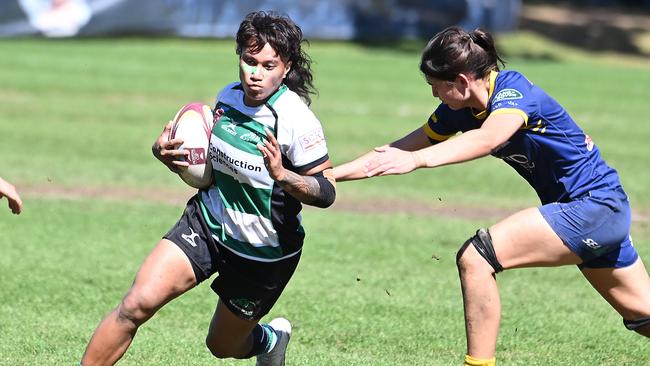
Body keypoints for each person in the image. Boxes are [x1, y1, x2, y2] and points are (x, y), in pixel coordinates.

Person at [334, 26, 650, 366]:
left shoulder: (513, 92)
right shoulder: (459, 110)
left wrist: (415, 161)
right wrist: (324, 176)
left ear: (461, 81)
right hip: (598, 212)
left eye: (435, 86)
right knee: (643, 317)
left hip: (592, 207)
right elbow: (394, 149)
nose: (434, 95)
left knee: (476, 258)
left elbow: (487, 139)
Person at [80, 11, 335, 366]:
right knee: (135, 305)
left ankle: (271, 340)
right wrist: (168, 154)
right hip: (207, 224)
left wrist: (283, 175)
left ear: (287, 67)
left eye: (268, 65)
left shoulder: (295, 120)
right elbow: (209, 171)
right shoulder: (227, 98)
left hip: (262, 253)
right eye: (249, 61)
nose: (255, 74)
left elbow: (326, 190)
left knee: (221, 346)